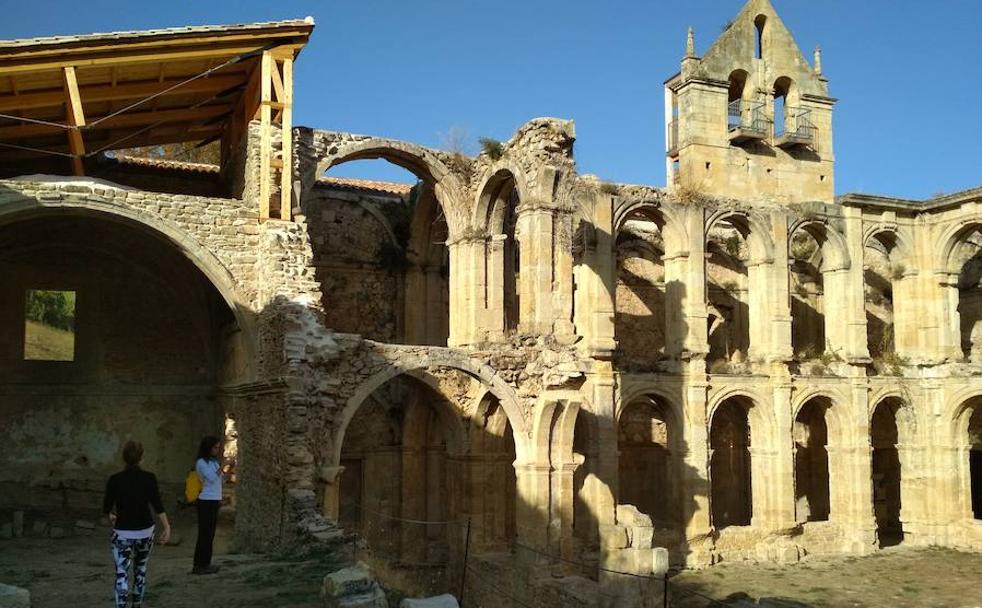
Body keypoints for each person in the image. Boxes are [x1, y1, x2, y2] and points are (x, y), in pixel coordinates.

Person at [103, 440, 171, 608]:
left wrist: (111, 516)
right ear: (142, 457)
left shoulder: (114, 480)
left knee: (122, 574)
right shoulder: (149, 478)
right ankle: (138, 604)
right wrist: (167, 526)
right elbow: (157, 504)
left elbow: (107, 507)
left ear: (123, 458)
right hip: (145, 531)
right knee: (140, 572)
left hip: (123, 532)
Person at [193, 435, 223, 575]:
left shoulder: (213, 462)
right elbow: (211, 478)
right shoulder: (201, 463)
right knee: (204, 534)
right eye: (215, 447)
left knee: (210, 534)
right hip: (205, 500)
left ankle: (206, 563)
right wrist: (224, 466)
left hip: (214, 499)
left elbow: (219, 479)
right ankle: (199, 565)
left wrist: (226, 470)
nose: (217, 450)